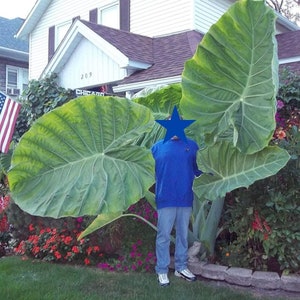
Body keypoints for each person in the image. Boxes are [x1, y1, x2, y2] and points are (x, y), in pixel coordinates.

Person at [151, 132, 202, 286]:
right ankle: (162, 270)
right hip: (165, 198)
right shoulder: (157, 147)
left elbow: (199, 169)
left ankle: (181, 267)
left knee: (183, 234)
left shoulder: (191, 146)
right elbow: (147, 169)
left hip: (185, 197)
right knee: (164, 236)